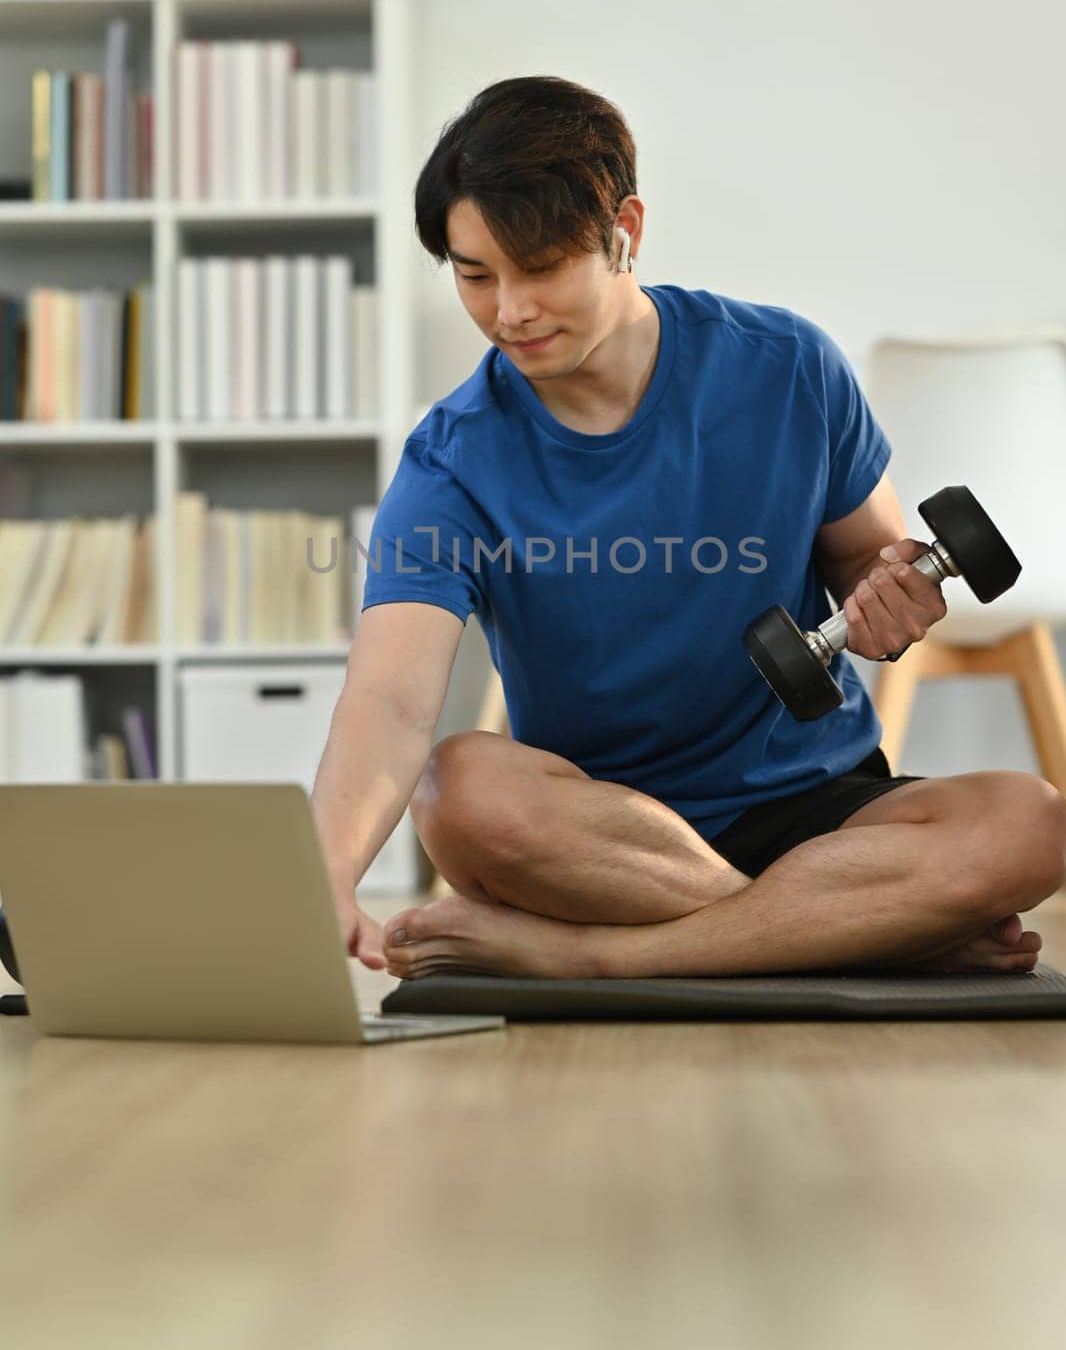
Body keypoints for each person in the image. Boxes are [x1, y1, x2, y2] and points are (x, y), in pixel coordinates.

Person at [311, 76, 1066, 983]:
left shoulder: (788, 368)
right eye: (476, 275)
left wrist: (896, 600)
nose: (507, 311)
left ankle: (594, 959)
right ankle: (847, 930)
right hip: (596, 830)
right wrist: (326, 876)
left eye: (539, 267)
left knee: (1033, 823)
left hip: (818, 809)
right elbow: (389, 700)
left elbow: (875, 559)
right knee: (457, 789)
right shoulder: (451, 460)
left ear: (623, 230)